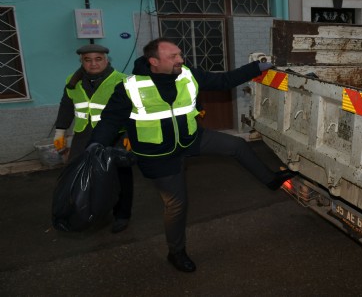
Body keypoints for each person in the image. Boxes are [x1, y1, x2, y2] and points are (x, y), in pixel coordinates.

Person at [88, 38, 296, 273]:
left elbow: (223, 80)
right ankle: (176, 252)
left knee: (237, 146)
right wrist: (96, 144)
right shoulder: (131, 87)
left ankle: (270, 181)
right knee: (177, 204)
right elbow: (110, 120)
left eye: (180, 54)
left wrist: (256, 68)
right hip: (158, 154)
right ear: (154, 61)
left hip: (190, 138)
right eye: (173, 56)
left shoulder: (187, 74)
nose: (181, 59)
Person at [53, 44, 134, 233]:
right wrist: (60, 131)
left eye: (98, 59)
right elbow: (66, 106)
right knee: (84, 176)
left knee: (120, 177)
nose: (93, 63)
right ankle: (93, 213)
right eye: (87, 60)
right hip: (83, 137)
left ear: (107, 60)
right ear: (82, 62)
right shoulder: (73, 81)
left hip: (115, 136)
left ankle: (122, 215)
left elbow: (135, 110)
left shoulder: (123, 81)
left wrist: (130, 134)